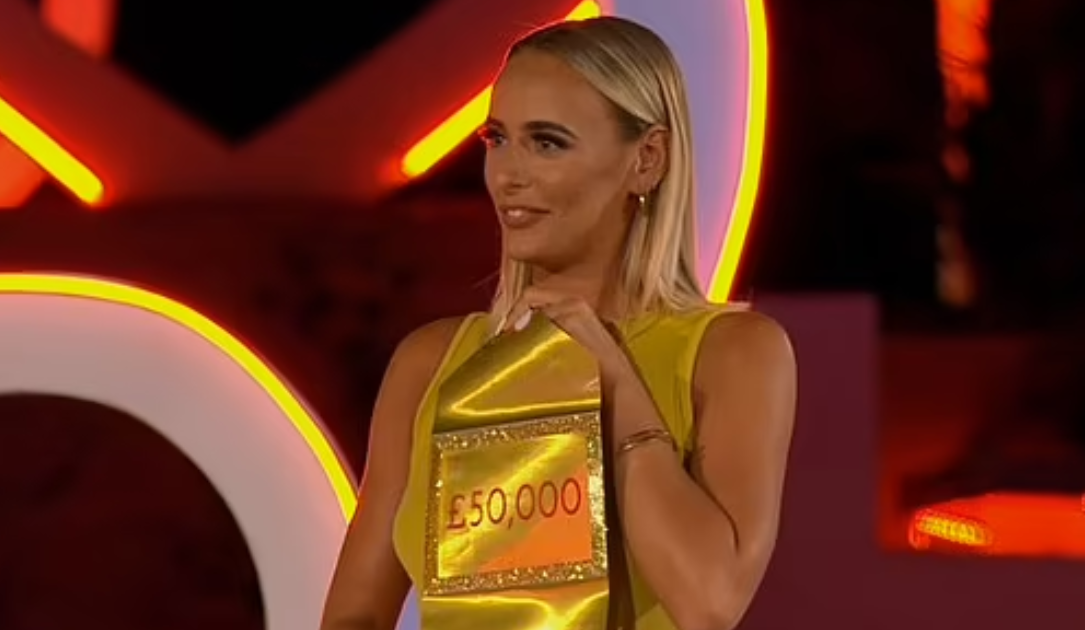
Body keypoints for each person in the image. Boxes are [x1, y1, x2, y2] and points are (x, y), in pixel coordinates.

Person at [320, 16, 796, 630]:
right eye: (497, 139)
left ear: (647, 160)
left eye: (547, 142)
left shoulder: (734, 354)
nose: (507, 175)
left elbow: (709, 602)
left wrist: (613, 381)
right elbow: (354, 615)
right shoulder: (431, 363)